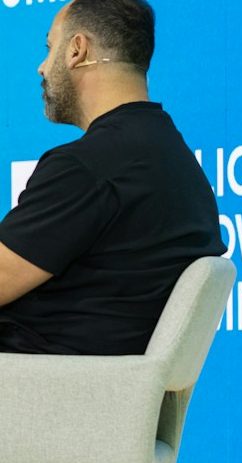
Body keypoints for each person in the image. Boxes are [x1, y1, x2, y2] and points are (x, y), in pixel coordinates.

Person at [0, 0, 227, 355]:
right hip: (97, 379)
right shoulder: (177, 161)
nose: (42, 67)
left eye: (50, 47)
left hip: (39, 377)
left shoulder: (87, 167)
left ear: (77, 50)